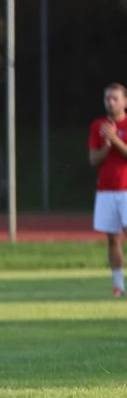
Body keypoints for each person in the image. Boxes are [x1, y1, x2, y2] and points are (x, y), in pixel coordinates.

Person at [87, 83, 127, 297]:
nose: (110, 102)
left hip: (126, 190)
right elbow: (93, 159)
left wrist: (115, 139)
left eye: (115, 98)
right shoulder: (97, 126)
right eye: (107, 99)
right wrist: (107, 145)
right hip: (106, 191)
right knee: (113, 239)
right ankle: (118, 286)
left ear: (125, 101)